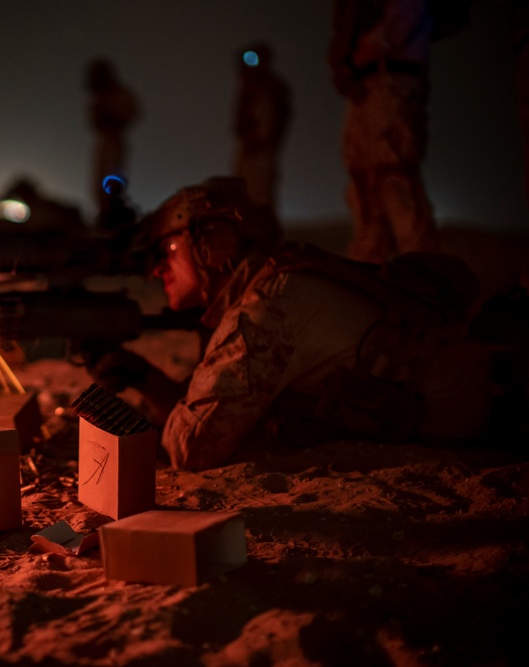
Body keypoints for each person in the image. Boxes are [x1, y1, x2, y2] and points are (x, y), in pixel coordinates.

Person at [86, 177, 524, 471]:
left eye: (167, 250)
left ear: (212, 244)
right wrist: (144, 377)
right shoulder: (276, 287)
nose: (156, 269)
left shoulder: (269, 306)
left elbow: (194, 447)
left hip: (502, 414)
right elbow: (217, 411)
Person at [328, 0, 439, 263]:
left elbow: (403, 17)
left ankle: (424, 273)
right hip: (365, 84)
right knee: (364, 185)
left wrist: (361, 53)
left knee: (394, 180)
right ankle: (369, 270)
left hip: (392, 79)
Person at [231, 41, 292, 215]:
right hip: (247, 150)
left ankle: (264, 236)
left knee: (260, 197)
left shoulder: (273, 89)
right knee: (240, 194)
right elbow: (239, 122)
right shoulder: (246, 90)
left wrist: (262, 140)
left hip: (262, 151)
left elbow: (273, 123)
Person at [85, 58, 141, 226]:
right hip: (103, 142)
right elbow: (94, 122)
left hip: (114, 140)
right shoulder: (99, 99)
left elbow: (132, 112)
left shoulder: (119, 94)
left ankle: (113, 220)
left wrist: (111, 112)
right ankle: (105, 217)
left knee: (112, 183)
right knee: (98, 187)